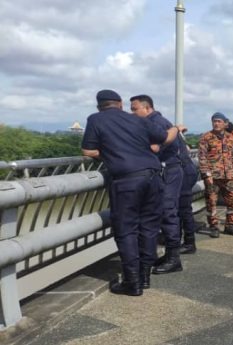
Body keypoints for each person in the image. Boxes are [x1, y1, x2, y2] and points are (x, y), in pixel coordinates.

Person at [81, 89, 185, 296]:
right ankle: (145, 276)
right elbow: (164, 138)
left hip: (127, 180)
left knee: (126, 230)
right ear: (120, 103)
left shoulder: (95, 119)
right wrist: (175, 128)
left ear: (99, 106)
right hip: (153, 177)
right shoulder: (138, 119)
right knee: (149, 228)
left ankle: (132, 282)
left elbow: (88, 151)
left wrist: (113, 153)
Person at [129, 95, 184, 275]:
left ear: (147, 108)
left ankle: (174, 258)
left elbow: (156, 148)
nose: (132, 112)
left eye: (135, 109)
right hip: (166, 170)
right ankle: (169, 254)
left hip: (168, 170)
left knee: (168, 212)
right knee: (163, 212)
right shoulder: (155, 122)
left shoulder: (157, 123)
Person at [198, 112, 233, 238]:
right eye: (214, 121)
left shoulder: (230, 137)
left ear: (225, 123)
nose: (216, 123)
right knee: (211, 202)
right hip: (213, 176)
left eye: (219, 121)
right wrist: (207, 175)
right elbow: (202, 157)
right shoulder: (206, 137)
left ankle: (230, 225)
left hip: (229, 176)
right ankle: (214, 227)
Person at [177, 141, 199, 255]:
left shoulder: (162, 128)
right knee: (180, 209)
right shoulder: (172, 130)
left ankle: (189, 243)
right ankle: (181, 240)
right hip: (186, 169)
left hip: (183, 171)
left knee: (183, 210)